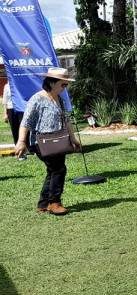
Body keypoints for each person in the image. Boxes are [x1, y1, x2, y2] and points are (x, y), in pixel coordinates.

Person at [15, 68, 81, 215]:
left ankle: (43, 203)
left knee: (53, 170)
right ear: (51, 83)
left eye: (66, 85)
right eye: (63, 84)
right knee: (59, 169)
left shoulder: (60, 100)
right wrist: (21, 141)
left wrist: (73, 138)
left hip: (59, 142)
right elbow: (26, 122)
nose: (65, 88)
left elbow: (66, 121)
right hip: (42, 143)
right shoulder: (37, 99)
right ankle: (54, 202)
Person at [2, 80, 26, 160]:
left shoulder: (20, 84)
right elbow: (5, 101)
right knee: (15, 129)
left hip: (21, 108)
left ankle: (29, 148)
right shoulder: (6, 86)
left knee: (24, 127)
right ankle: (20, 152)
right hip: (11, 108)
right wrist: (5, 114)